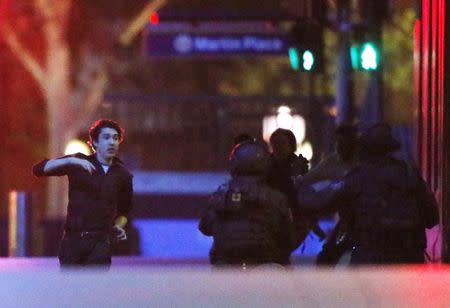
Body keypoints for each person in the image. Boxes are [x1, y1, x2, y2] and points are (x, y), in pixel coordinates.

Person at [298, 123, 439, 265]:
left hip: (371, 258)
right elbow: (432, 218)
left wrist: (297, 181)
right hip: (410, 257)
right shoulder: (409, 173)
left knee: (327, 261)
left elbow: (317, 203)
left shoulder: (357, 178)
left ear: (364, 149)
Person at [33, 119, 133, 267]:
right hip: (73, 242)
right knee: (69, 287)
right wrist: (70, 161)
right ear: (94, 143)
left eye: (115, 138)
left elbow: (124, 212)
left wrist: (119, 225)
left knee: (95, 287)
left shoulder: (123, 175)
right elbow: (39, 169)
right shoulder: (79, 162)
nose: (112, 142)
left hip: (100, 245)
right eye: (106, 137)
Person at [199, 140, 296, 266]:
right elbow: (288, 239)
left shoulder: (220, 195)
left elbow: (205, 228)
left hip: (225, 268)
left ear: (234, 163)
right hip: (267, 268)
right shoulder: (277, 198)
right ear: (266, 165)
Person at [300, 124, 358, 265]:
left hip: (366, 220)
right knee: (326, 259)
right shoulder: (333, 161)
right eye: (338, 143)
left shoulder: (364, 162)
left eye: (344, 143)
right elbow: (308, 179)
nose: (340, 147)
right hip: (347, 221)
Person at [266, 128, 314, 247]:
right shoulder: (265, 165)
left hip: (293, 218)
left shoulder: (298, 166)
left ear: (291, 145)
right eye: (275, 143)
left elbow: (306, 194)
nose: (278, 147)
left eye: (282, 143)